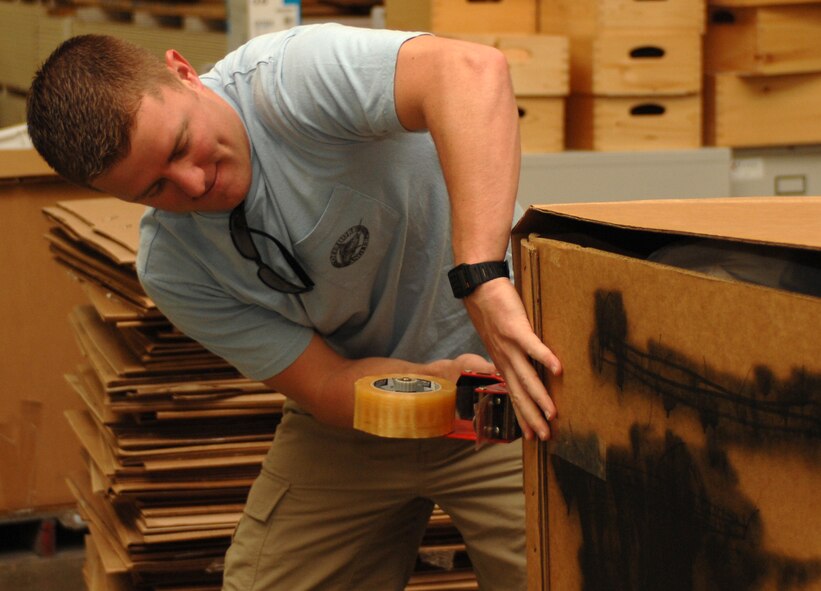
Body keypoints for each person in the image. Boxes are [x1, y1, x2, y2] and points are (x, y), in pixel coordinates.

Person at [27, 23, 562, 590]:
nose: (194, 183)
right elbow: (326, 384)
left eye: (181, 146)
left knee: (570, 566)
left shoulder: (288, 81)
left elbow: (472, 70)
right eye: (154, 190)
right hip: (364, 411)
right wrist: (435, 388)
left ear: (183, 73)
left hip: (511, 385)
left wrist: (482, 276)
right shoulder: (175, 268)